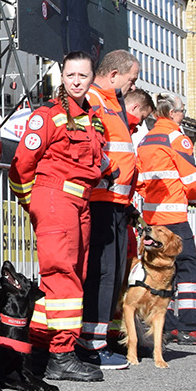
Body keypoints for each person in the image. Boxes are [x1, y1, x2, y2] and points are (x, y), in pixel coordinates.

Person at [8, 51, 105, 382]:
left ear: (93, 78)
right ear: (62, 77)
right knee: (61, 274)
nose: (76, 81)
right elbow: (22, 163)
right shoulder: (48, 114)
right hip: (55, 198)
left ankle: (39, 348)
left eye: (83, 76)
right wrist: (31, 202)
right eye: (70, 76)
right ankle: (62, 354)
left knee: (72, 275)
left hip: (80, 203)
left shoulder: (91, 117)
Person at [136, 93, 196, 346]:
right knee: (188, 267)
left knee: (161, 271)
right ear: (172, 114)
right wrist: (194, 197)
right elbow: (192, 180)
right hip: (174, 217)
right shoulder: (177, 137)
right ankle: (191, 326)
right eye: (182, 111)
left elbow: (139, 181)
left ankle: (167, 326)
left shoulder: (145, 139)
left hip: (151, 217)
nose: (184, 115)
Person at [81, 50, 140, 370]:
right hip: (101, 198)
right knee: (102, 275)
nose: (133, 85)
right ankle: (91, 344)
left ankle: (99, 340)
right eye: (132, 79)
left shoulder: (112, 102)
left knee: (113, 274)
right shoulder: (94, 98)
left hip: (116, 201)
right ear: (114, 75)